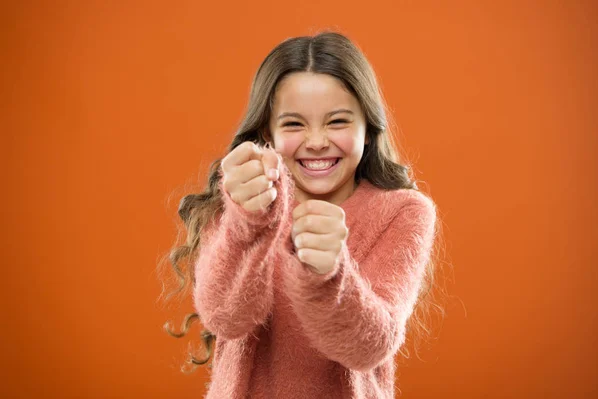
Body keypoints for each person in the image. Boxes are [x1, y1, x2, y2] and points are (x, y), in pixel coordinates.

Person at [160, 30, 441, 398]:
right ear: (268, 133)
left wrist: (329, 274)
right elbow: (225, 318)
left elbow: (369, 347)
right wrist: (247, 226)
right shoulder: (243, 199)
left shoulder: (404, 212)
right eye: (294, 124)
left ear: (368, 131)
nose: (317, 140)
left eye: (337, 121)